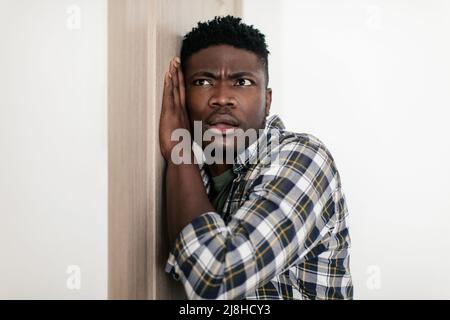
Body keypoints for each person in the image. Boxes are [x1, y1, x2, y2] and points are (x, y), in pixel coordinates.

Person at [159, 15, 353, 300]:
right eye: (202, 81)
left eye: (242, 82)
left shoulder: (303, 159)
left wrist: (180, 151)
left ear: (267, 100)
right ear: (182, 95)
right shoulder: (201, 177)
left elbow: (215, 279)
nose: (222, 98)